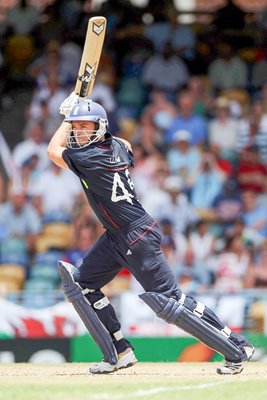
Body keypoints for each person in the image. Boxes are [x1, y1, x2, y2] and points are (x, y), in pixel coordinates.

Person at [47, 92, 254, 375]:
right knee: (80, 285)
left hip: (136, 235)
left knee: (170, 302)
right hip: (116, 235)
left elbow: (52, 150)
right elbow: (125, 141)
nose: (78, 130)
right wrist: (80, 114)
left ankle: (236, 347)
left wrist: (65, 118)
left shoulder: (89, 156)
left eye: (85, 126)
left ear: (99, 128)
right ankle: (119, 351)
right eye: (76, 126)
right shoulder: (119, 146)